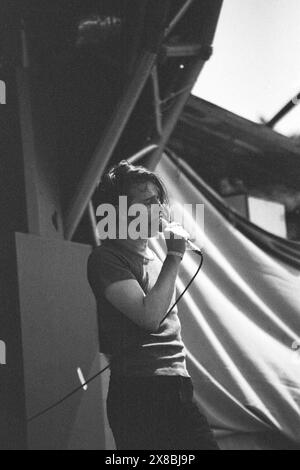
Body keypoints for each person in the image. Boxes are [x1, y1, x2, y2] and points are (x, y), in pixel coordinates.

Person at [87, 160, 219, 450]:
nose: (159, 209)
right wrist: (175, 256)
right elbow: (148, 317)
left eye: (159, 200)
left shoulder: (156, 260)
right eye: (147, 202)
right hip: (140, 392)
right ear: (121, 211)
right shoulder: (107, 258)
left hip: (176, 387)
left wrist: (169, 257)